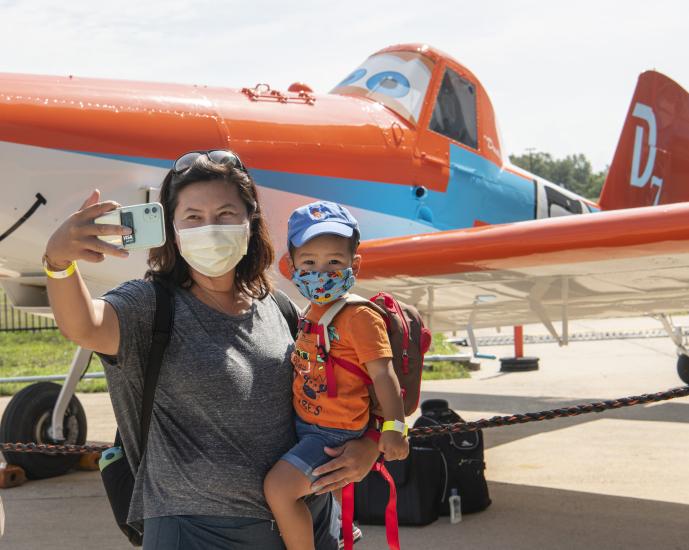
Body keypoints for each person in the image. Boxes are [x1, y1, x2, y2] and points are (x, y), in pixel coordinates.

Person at [42, 150, 380, 550]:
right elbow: (84, 325)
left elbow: (339, 391)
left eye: (225, 215)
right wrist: (58, 261)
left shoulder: (279, 306)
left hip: (310, 524)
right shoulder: (149, 306)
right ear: (172, 228)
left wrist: (369, 446)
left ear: (250, 223)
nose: (211, 229)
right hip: (197, 534)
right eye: (193, 217)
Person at [264, 201, 410, 550]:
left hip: (333, 430)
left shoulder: (359, 317)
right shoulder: (311, 311)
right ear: (292, 267)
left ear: (353, 265)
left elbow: (383, 375)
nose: (321, 272)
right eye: (309, 263)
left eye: (334, 262)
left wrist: (394, 428)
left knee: (279, 489)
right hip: (308, 422)